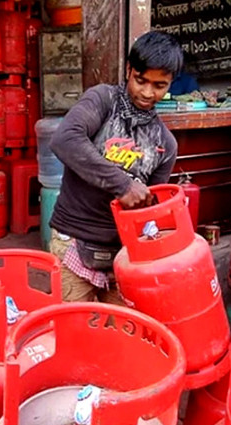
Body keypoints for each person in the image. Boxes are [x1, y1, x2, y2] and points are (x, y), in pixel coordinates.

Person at [48, 31, 182, 303]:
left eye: (159, 85)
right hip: (73, 238)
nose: (147, 92)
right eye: (140, 80)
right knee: (74, 333)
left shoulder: (165, 144)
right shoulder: (103, 101)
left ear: (170, 84)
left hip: (124, 253)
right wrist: (122, 184)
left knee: (122, 334)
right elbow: (64, 140)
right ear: (129, 70)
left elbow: (150, 210)